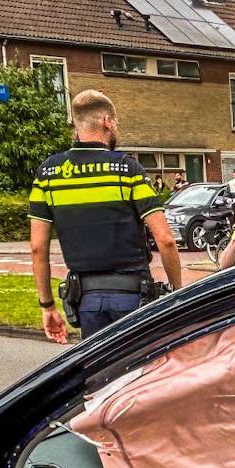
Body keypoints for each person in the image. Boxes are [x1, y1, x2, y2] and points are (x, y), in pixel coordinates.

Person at [28, 89, 184, 343]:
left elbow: (37, 247)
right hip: (132, 296)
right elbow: (165, 239)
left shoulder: (48, 173)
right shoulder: (126, 169)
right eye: (116, 122)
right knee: (137, 372)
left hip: (86, 300)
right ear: (106, 122)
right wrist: (178, 294)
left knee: (100, 374)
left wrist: (47, 306)